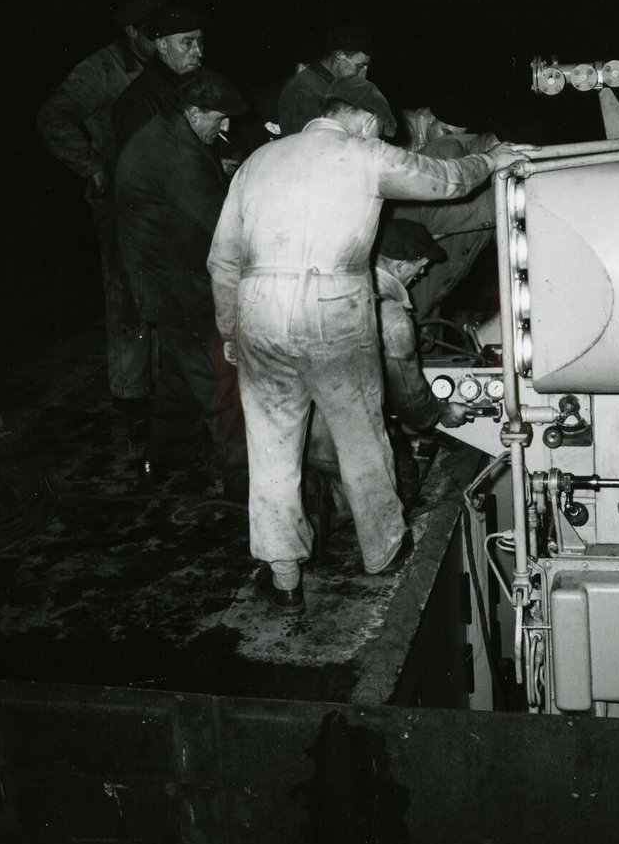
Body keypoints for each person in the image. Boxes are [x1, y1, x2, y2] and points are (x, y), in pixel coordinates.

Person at [207, 75, 530, 614]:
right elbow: (447, 180)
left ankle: (284, 576)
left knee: (271, 446)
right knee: (360, 432)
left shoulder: (257, 162)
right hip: (336, 306)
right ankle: (384, 550)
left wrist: (229, 330)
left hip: (259, 309)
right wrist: (493, 161)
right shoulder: (363, 154)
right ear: (363, 120)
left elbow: (222, 260)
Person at [115, 69, 248, 489]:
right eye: (219, 118)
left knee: (178, 378)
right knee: (220, 382)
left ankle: (163, 460)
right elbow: (223, 226)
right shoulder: (179, 158)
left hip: (160, 279)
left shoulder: (171, 131)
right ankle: (246, 481)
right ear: (193, 112)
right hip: (176, 286)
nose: (227, 127)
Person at [35, 0, 166, 402]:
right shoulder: (99, 70)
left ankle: (162, 385)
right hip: (118, 199)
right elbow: (53, 117)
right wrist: (91, 166)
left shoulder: (163, 64)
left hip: (161, 196)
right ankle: (130, 393)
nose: (162, 42)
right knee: (127, 296)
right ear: (131, 33)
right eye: (153, 35)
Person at [305, 219, 475, 524]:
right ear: (398, 266)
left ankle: (323, 503)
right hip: (351, 439)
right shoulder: (391, 314)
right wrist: (439, 413)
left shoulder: (335, 289)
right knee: (403, 486)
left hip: (305, 430)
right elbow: (409, 397)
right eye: (419, 266)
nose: (422, 273)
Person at [391, 92, 501, 321]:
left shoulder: (448, 145)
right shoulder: (401, 136)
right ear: (429, 118)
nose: (448, 140)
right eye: (446, 132)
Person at [112, 3, 207, 149]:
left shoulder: (199, 82)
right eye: (188, 43)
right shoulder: (138, 103)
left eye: (200, 42)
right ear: (162, 45)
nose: (199, 52)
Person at [275, 26, 376, 136]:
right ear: (339, 57)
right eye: (360, 66)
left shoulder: (334, 87)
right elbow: (310, 145)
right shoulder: (303, 89)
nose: (363, 75)